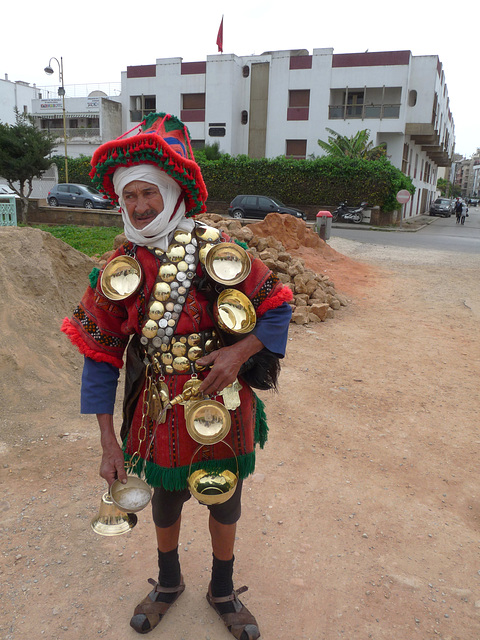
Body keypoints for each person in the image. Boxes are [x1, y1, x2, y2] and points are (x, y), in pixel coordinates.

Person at [62, 112, 292, 638]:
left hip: (223, 399)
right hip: (157, 406)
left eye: (149, 193)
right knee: (164, 497)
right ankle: (168, 584)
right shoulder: (118, 267)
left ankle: (223, 589)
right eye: (130, 197)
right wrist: (107, 443)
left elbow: (277, 305)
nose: (140, 207)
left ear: (170, 191)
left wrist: (239, 353)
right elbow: (100, 354)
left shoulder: (218, 248)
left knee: (224, 495)